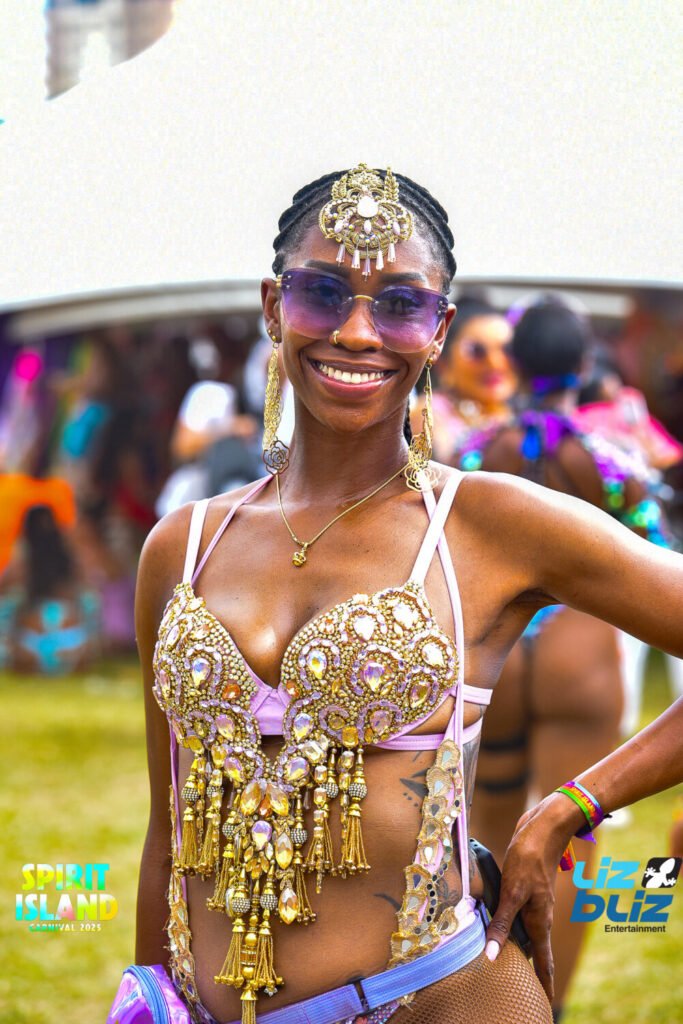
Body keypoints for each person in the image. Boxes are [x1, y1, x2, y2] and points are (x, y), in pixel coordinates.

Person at [125, 164, 683, 1024]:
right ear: (273, 306)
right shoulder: (183, 546)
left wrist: (572, 806)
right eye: (322, 293)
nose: (356, 332)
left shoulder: (487, 523)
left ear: (437, 329)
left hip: (438, 1000)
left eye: (398, 304)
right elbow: (168, 831)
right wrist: (148, 996)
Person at [459, 299, 670, 1020]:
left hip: (496, 650)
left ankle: (488, 1000)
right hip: (579, 653)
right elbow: (653, 553)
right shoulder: (608, 460)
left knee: (480, 840)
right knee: (571, 839)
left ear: (513, 363)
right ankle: (549, 1006)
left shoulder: (476, 454)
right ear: (584, 365)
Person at [411, 295, 517, 462]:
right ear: (444, 361)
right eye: (476, 351)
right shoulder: (427, 414)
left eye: (507, 349)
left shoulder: (522, 416)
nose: (496, 363)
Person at [0, 504, 99, 674]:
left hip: (29, 642)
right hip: (71, 639)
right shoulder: (69, 557)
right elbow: (88, 598)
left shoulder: (21, 561)